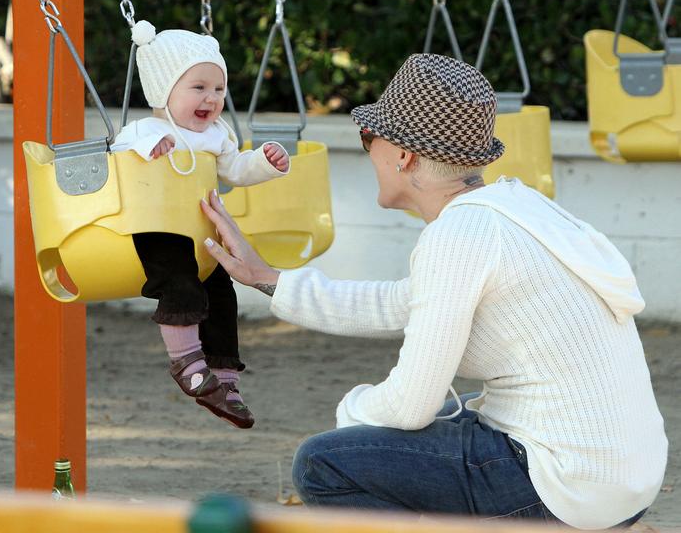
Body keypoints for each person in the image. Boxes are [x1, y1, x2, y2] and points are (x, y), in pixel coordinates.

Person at [200, 53, 667, 526]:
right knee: (432, 422)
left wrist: (352, 411)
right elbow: (399, 303)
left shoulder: (459, 235)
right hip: (622, 479)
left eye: (368, 138)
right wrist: (268, 278)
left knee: (325, 462)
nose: (367, 151)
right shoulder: (513, 209)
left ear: (403, 154)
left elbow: (409, 405)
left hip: (565, 485)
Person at [111, 20, 290, 429]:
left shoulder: (216, 134)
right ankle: (186, 362)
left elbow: (237, 169)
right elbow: (118, 150)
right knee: (180, 286)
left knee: (222, 296)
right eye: (198, 88)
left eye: (218, 89)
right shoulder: (146, 129)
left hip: (201, 234)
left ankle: (225, 378)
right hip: (158, 231)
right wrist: (148, 147)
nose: (211, 98)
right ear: (163, 90)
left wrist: (264, 162)